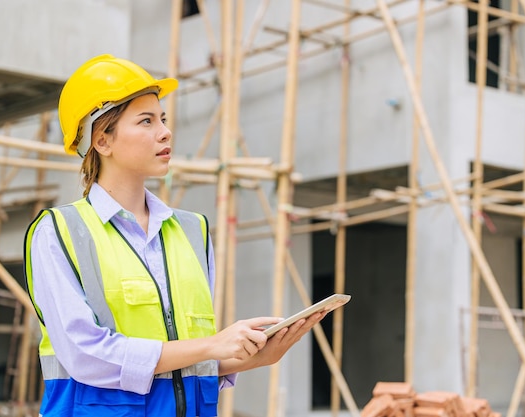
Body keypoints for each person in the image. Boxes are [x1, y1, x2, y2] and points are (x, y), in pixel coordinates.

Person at [23, 54, 326, 417]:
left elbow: (182, 368)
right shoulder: (59, 232)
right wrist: (213, 346)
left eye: (162, 119)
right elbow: (85, 356)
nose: (165, 132)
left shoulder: (192, 230)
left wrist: (246, 358)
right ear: (101, 140)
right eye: (146, 121)